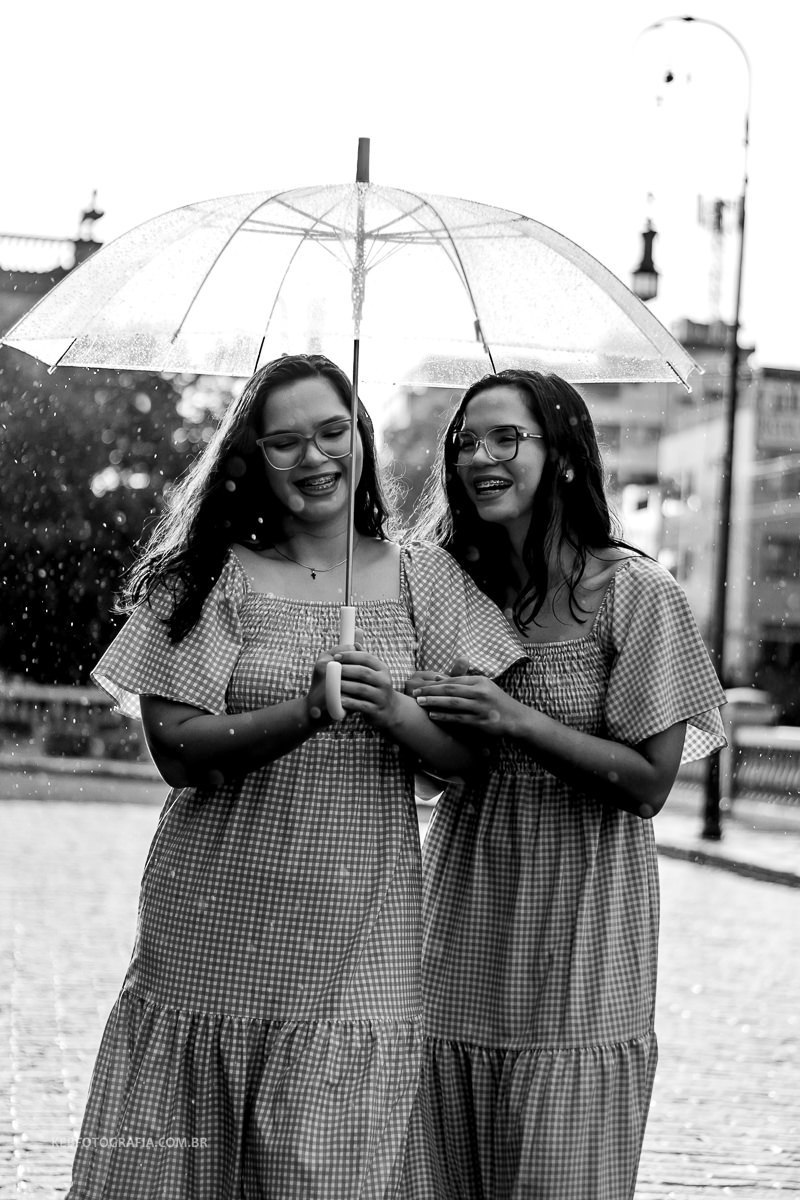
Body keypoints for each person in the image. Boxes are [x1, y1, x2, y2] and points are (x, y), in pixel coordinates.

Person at [68, 354, 525, 1200]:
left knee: (332, 1166)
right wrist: (303, 713)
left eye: (330, 431)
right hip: (216, 921)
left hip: (365, 922)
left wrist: (396, 711)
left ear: (362, 436)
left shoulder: (429, 579)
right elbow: (175, 749)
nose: (314, 458)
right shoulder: (210, 578)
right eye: (284, 443)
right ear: (254, 458)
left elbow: (471, 761)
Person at [401, 369, 726, 1200]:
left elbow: (649, 784)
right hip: (464, 911)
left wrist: (518, 719)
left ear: (566, 457)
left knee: (557, 1172)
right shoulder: (448, 590)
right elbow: (441, 773)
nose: (480, 457)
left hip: (582, 921)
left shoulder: (636, 594)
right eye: (466, 442)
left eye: (507, 438)